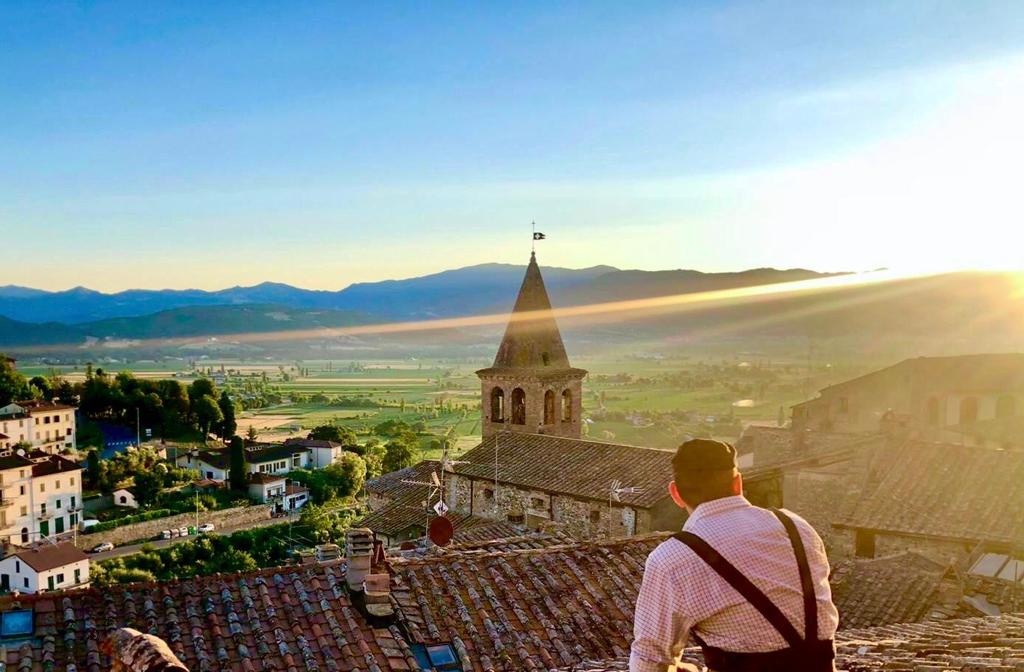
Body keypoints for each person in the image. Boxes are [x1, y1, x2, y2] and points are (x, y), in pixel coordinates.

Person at [630, 439, 839, 672]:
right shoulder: (796, 526)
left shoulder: (675, 558)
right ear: (738, 484)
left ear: (675, 494)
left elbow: (650, 660)